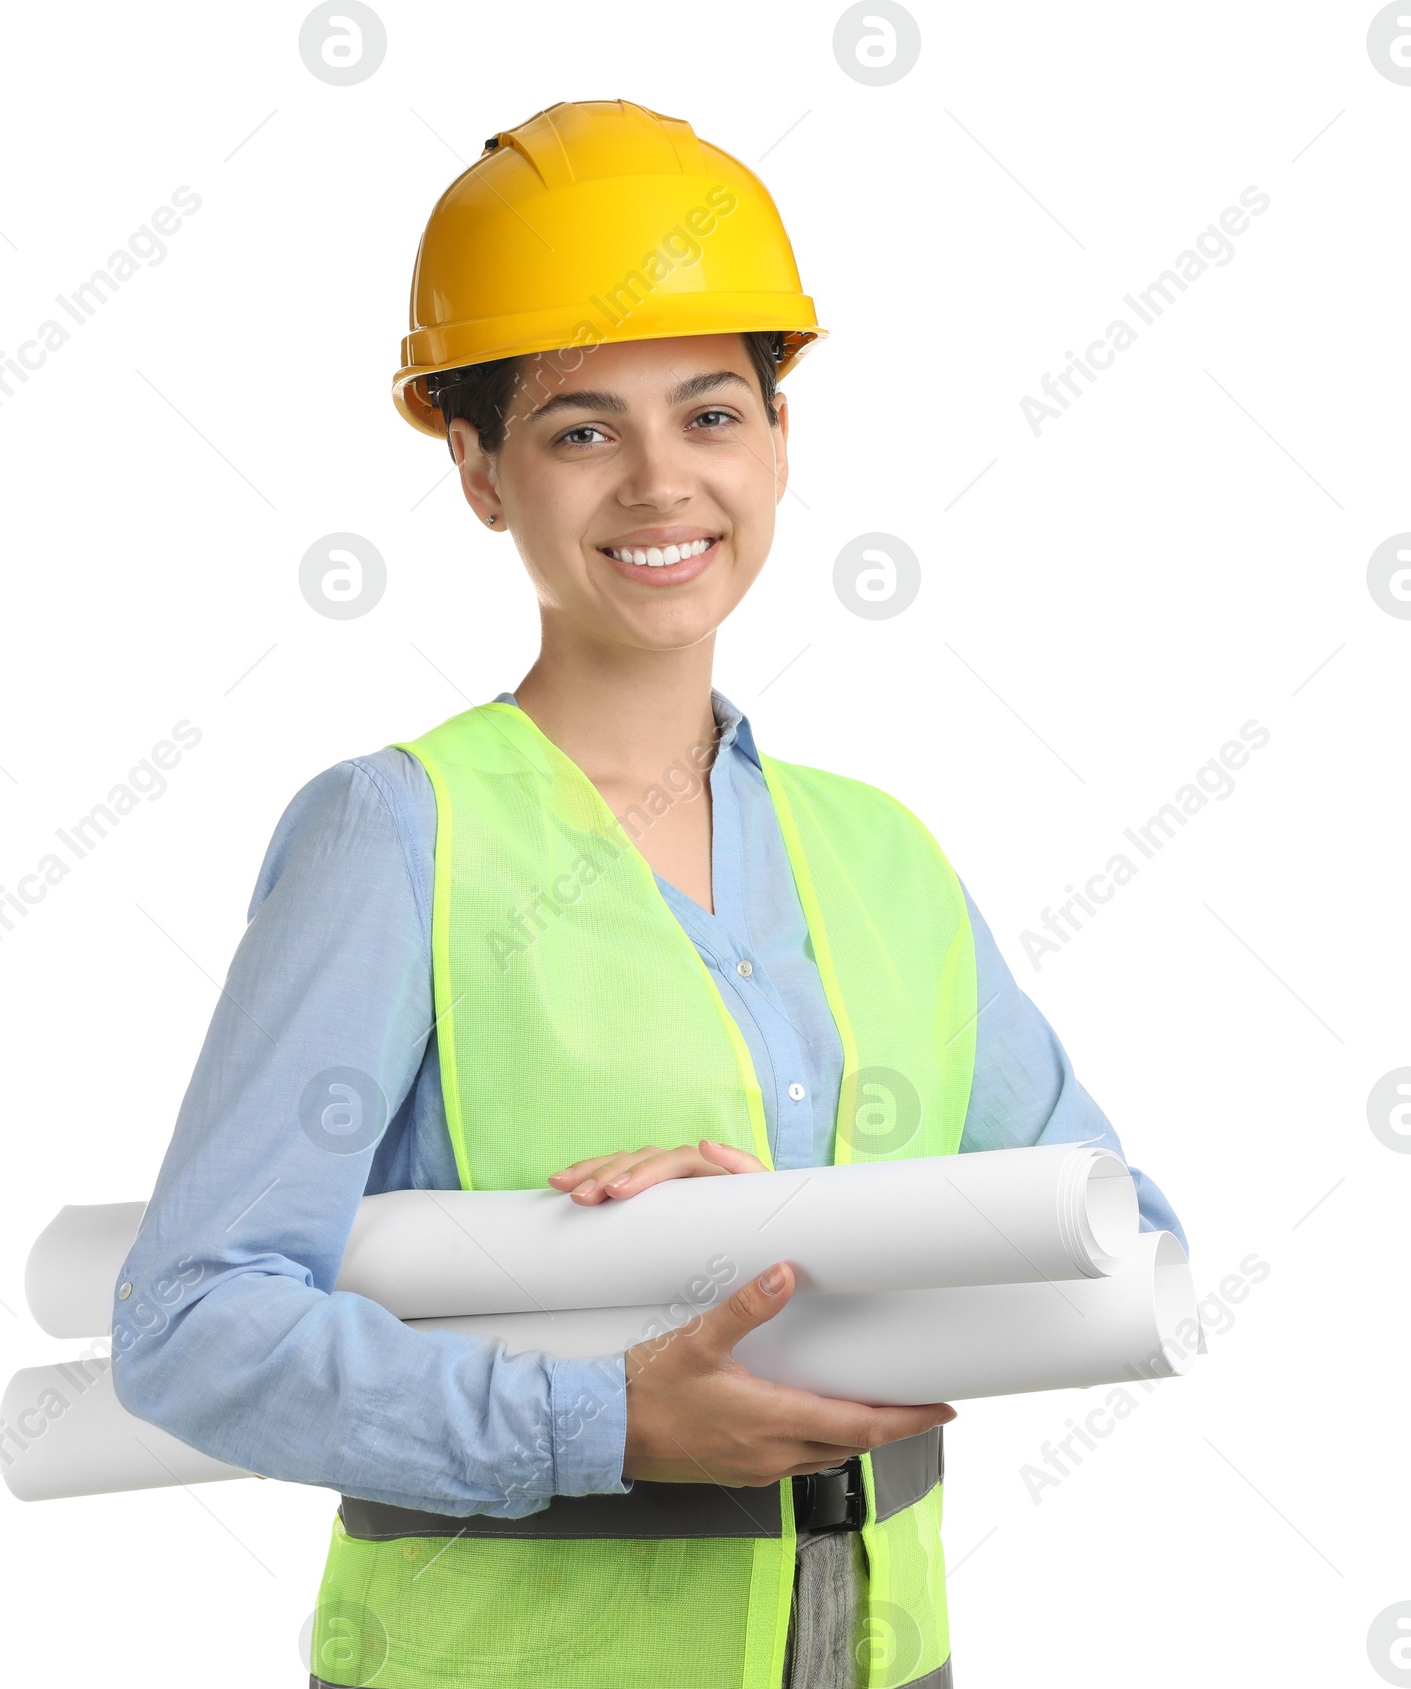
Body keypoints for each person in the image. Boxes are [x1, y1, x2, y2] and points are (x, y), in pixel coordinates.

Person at [111, 100, 1187, 1689]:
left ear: (777, 436)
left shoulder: (881, 852)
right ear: (478, 471)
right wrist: (601, 1416)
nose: (663, 483)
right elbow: (190, 1317)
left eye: (711, 413)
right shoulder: (399, 835)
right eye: (581, 430)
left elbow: (1127, 1247)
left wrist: (782, 1233)